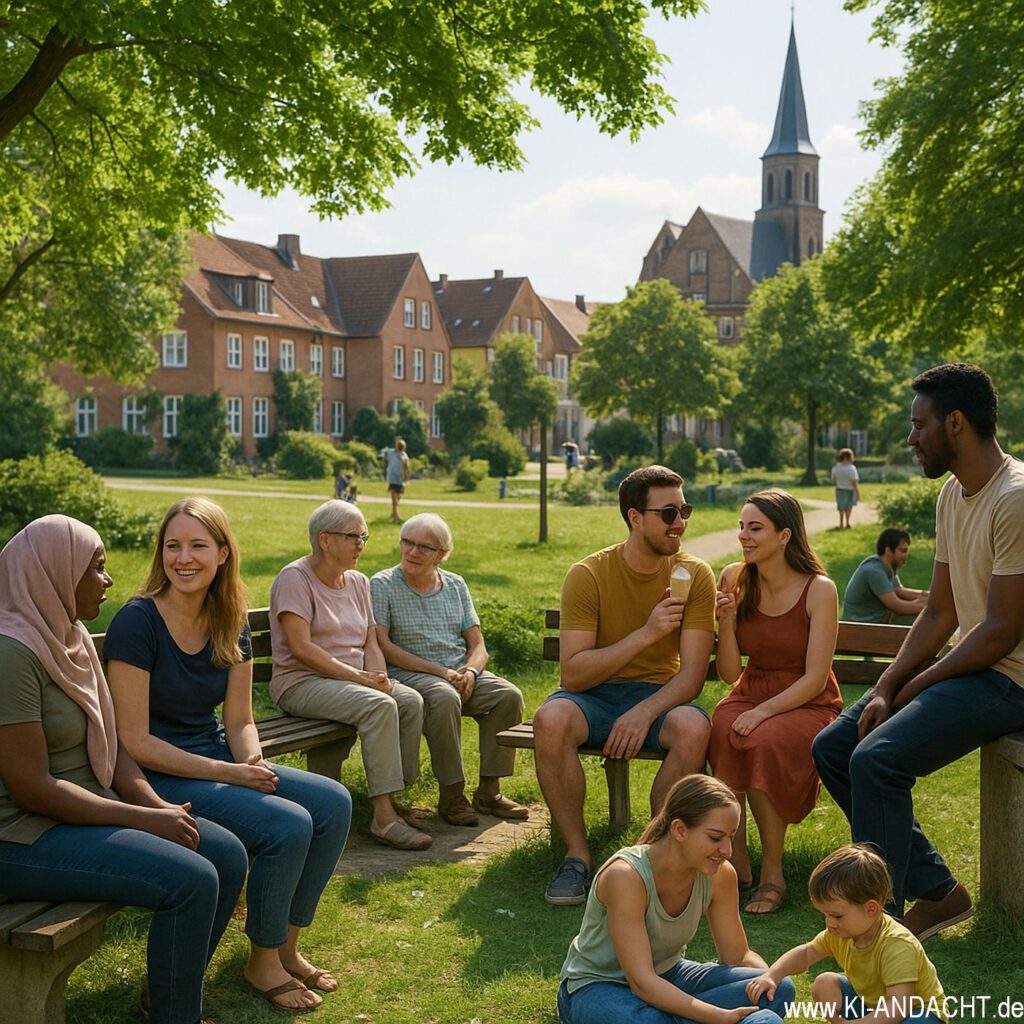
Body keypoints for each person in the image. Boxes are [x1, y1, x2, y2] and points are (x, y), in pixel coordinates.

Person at [105, 497, 351, 1013]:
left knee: (332, 802)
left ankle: (284, 946)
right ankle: (261, 961)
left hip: (216, 755)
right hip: (155, 774)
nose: (183, 558)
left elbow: (239, 720)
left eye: (198, 545)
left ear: (222, 553)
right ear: (161, 554)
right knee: (287, 826)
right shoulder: (137, 622)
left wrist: (254, 764)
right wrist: (231, 773)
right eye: (173, 546)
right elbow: (134, 741)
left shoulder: (230, 617)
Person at [0, 515, 247, 1024]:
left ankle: (168, 995)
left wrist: (157, 805)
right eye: (96, 567)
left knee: (225, 852)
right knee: (193, 879)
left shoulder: (72, 637)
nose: (108, 579)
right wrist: (141, 820)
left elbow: (112, 748)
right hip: (22, 836)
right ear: (54, 571)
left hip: (80, 811)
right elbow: (31, 788)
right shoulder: (12, 653)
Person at [813, 363, 1024, 939]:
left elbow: (1002, 630)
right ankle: (939, 892)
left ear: (955, 423)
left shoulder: (1015, 498)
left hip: (1012, 678)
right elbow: (940, 611)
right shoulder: (954, 495)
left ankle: (880, 932)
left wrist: (916, 686)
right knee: (834, 746)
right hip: (977, 665)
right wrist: (886, 685)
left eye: (918, 425)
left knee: (877, 760)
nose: (911, 438)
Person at [534, 465, 716, 905]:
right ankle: (576, 856)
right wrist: (648, 633)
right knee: (551, 718)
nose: (680, 523)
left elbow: (691, 676)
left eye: (684, 510)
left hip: (658, 695)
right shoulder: (589, 574)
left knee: (693, 728)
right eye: (668, 513)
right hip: (592, 697)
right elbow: (573, 675)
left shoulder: (695, 575)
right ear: (635, 518)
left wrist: (645, 710)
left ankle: (648, 854)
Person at [557, 774, 795, 1024]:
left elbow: (737, 955)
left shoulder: (721, 874)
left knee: (779, 988)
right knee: (646, 1021)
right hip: (599, 986)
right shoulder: (625, 877)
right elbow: (641, 982)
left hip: (670, 975)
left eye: (730, 837)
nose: (727, 850)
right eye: (715, 838)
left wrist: (767, 979)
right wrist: (717, 1016)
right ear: (680, 830)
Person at [269, 500, 430, 850]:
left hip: (349, 682)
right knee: (378, 706)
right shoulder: (295, 578)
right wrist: (363, 682)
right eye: (353, 536)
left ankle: (395, 794)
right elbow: (301, 649)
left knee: (409, 700)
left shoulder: (358, 581)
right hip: (301, 683)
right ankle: (383, 819)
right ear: (325, 540)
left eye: (364, 536)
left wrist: (379, 677)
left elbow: (370, 640)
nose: (361, 544)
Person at [710, 490, 841, 915]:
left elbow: (816, 677)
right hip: (750, 688)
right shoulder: (734, 576)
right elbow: (729, 673)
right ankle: (734, 863)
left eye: (755, 528)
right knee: (722, 729)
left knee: (763, 740)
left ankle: (772, 874)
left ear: (785, 535)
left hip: (808, 700)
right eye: (742, 526)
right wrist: (726, 623)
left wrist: (763, 711)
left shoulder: (819, 589)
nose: (743, 536)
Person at [370, 513, 528, 826]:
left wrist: (470, 672)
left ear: (442, 554)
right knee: (444, 697)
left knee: (508, 695)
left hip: (459, 673)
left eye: (424, 547)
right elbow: (384, 646)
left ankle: (489, 791)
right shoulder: (383, 583)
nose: (412, 552)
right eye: (407, 542)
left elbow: (478, 644)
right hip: (409, 673)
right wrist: (442, 673)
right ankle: (452, 793)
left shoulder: (455, 584)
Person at [746, 844, 947, 1024]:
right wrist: (772, 976)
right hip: (874, 1006)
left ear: (871, 909)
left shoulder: (897, 945)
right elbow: (805, 954)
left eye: (837, 916)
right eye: (825, 915)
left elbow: (898, 1007)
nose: (829, 923)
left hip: (917, 1013)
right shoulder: (838, 934)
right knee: (825, 984)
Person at [842, 529, 929, 624]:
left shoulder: (886, 566)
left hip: (876, 623)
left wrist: (928, 596)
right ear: (888, 551)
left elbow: (898, 590)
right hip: (860, 627)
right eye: (903, 551)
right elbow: (897, 606)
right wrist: (924, 606)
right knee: (923, 620)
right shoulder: (874, 571)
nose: (906, 555)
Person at [831, 449, 861, 530]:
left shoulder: (836, 467)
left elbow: (834, 480)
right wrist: (858, 493)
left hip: (839, 489)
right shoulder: (851, 468)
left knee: (841, 507)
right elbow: (854, 482)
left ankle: (841, 523)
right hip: (850, 490)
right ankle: (847, 522)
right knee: (848, 507)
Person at [384, 438, 410, 523]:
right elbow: (384, 455)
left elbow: (406, 467)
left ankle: (393, 512)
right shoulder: (391, 453)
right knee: (394, 498)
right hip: (392, 478)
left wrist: (406, 476)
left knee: (398, 497)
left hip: (400, 479)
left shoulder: (404, 455)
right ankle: (396, 516)